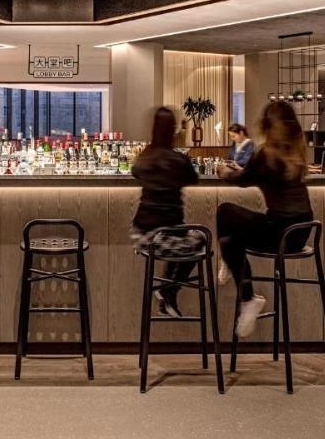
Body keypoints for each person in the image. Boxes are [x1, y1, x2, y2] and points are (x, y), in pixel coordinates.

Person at [215, 101, 313, 338]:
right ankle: (231, 263)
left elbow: (241, 180)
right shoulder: (297, 152)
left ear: (266, 125)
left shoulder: (265, 155)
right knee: (232, 240)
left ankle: (248, 297)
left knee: (225, 214)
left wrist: (223, 171)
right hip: (300, 233)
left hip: (279, 232)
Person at [130, 107, 202, 317]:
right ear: (173, 130)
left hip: (142, 235)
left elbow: (135, 172)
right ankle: (169, 289)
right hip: (165, 236)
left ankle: (166, 288)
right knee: (200, 239)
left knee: (181, 236)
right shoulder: (179, 160)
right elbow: (193, 178)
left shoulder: (145, 158)